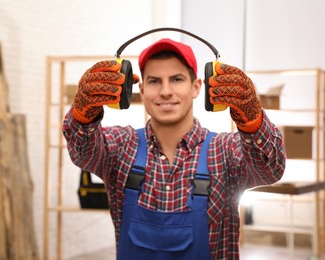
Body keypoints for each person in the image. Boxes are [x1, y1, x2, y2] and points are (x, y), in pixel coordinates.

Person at [63, 38, 286, 260]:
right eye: (154, 81)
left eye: (177, 79)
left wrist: (252, 121)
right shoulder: (120, 146)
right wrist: (83, 114)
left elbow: (271, 169)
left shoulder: (224, 150)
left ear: (197, 87)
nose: (166, 91)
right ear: (140, 89)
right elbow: (82, 150)